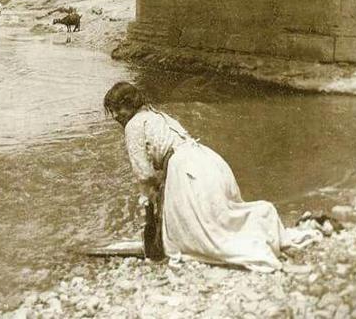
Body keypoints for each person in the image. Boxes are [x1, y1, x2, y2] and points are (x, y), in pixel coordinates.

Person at [103, 81, 322, 272]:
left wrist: (150, 205)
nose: (114, 116)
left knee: (204, 235)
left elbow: (144, 174)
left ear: (128, 105)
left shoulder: (133, 126)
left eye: (116, 109)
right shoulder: (156, 115)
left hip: (186, 169)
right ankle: (263, 223)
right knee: (224, 217)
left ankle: (252, 247)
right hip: (207, 160)